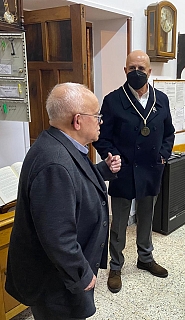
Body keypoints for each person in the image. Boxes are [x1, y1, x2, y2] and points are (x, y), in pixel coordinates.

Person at [5, 82, 121, 320]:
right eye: (97, 116)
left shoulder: (61, 145)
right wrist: (83, 273)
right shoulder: (54, 163)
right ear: (77, 121)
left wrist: (102, 170)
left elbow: (74, 183)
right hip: (55, 282)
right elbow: (58, 237)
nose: (101, 121)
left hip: (61, 276)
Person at [93, 50, 175, 293]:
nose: (136, 72)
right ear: (125, 70)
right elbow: (102, 138)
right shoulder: (113, 100)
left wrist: (163, 154)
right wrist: (111, 156)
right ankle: (116, 266)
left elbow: (169, 132)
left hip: (151, 168)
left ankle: (145, 258)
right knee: (118, 222)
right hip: (123, 170)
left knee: (146, 217)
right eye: (132, 68)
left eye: (141, 68)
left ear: (149, 72)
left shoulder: (161, 100)